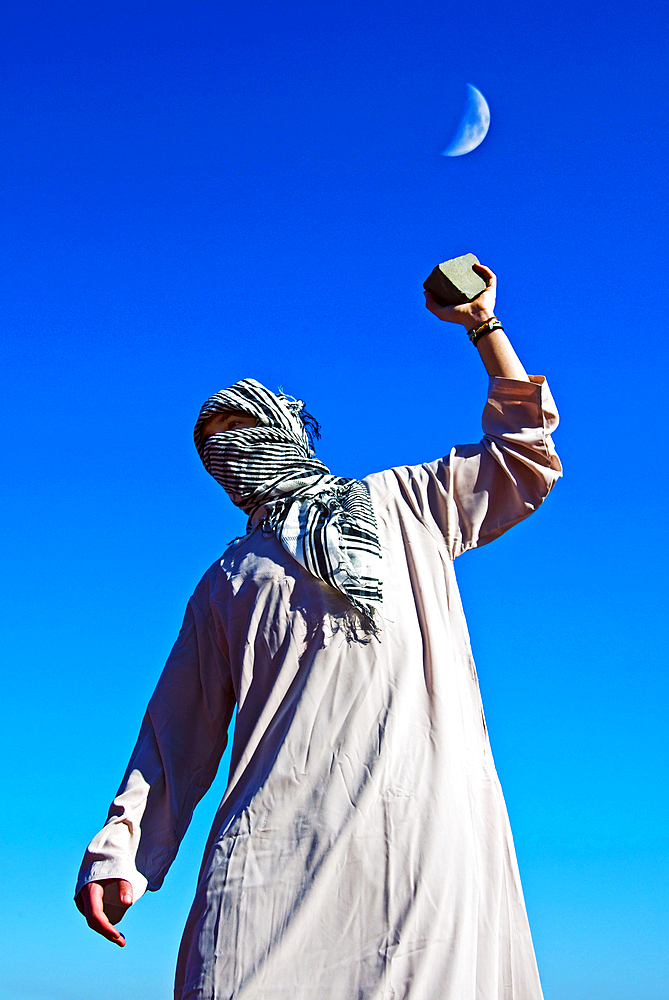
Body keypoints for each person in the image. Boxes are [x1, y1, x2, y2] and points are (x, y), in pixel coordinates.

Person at [76, 264, 562, 999]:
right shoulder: (229, 578)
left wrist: (484, 328)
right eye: (214, 449)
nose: (231, 458)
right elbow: (176, 735)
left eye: (242, 433)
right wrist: (121, 852)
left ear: (283, 430)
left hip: (422, 832)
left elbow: (521, 457)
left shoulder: (404, 503)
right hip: (273, 848)